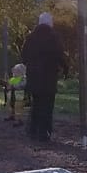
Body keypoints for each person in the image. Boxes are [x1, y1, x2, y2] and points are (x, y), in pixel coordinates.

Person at [22, 12, 70, 143]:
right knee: (47, 106)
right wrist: (66, 69)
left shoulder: (30, 37)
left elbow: (24, 56)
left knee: (36, 103)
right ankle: (44, 132)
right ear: (50, 23)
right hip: (49, 77)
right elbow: (60, 55)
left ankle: (33, 130)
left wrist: (30, 66)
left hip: (34, 77)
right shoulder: (54, 37)